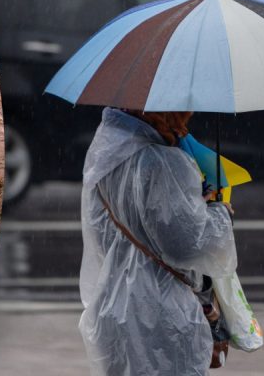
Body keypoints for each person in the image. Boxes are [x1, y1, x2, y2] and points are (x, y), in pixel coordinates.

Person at [79, 107, 237, 376]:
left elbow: (104, 230)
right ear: (164, 112)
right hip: (161, 315)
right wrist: (221, 214)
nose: (184, 128)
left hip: (112, 306)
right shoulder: (165, 163)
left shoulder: (106, 151)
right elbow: (187, 245)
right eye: (182, 116)